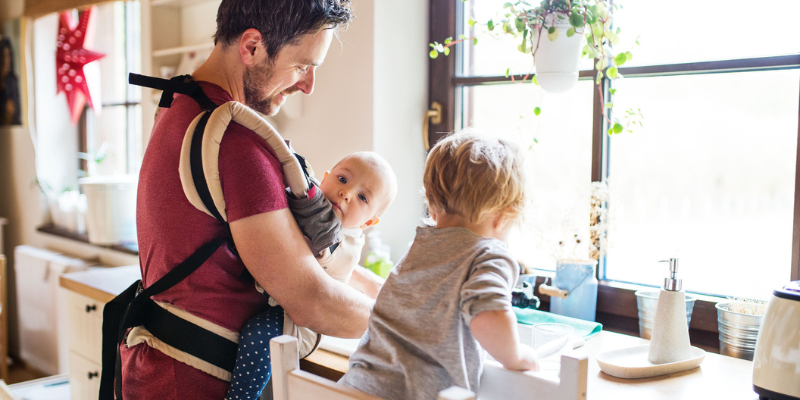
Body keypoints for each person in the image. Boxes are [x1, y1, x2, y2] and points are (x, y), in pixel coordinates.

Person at [120, 1, 376, 399]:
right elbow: (312, 300)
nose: (307, 85)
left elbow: (296, 254)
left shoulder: (180, 103)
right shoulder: (236, 144)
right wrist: (413, 325)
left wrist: (398, 294)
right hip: (194, 383)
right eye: (302, 66)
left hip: (154, 368)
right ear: (252, 47)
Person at [339, 133, 539, 400]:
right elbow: (488, 318)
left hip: (353, 387)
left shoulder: (420, 246)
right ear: (505, 216)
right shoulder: (491, 254)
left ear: (432, 206)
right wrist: (519, 357)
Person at [227, 151, 398, 400]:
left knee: (258, 335)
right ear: (325, 178)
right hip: (274, 296)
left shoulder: (347, 243)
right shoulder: (313, 201)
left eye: (362, 197)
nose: (346, 193)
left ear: (369, 222)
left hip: (299, 324)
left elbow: (318, 247)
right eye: (342, 179)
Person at [0, 38, 21, 126]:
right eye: (4, 56)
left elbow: (17, 110)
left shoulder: (13, 80)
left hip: (10, 125)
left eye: (9, 55)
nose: (7, 60)